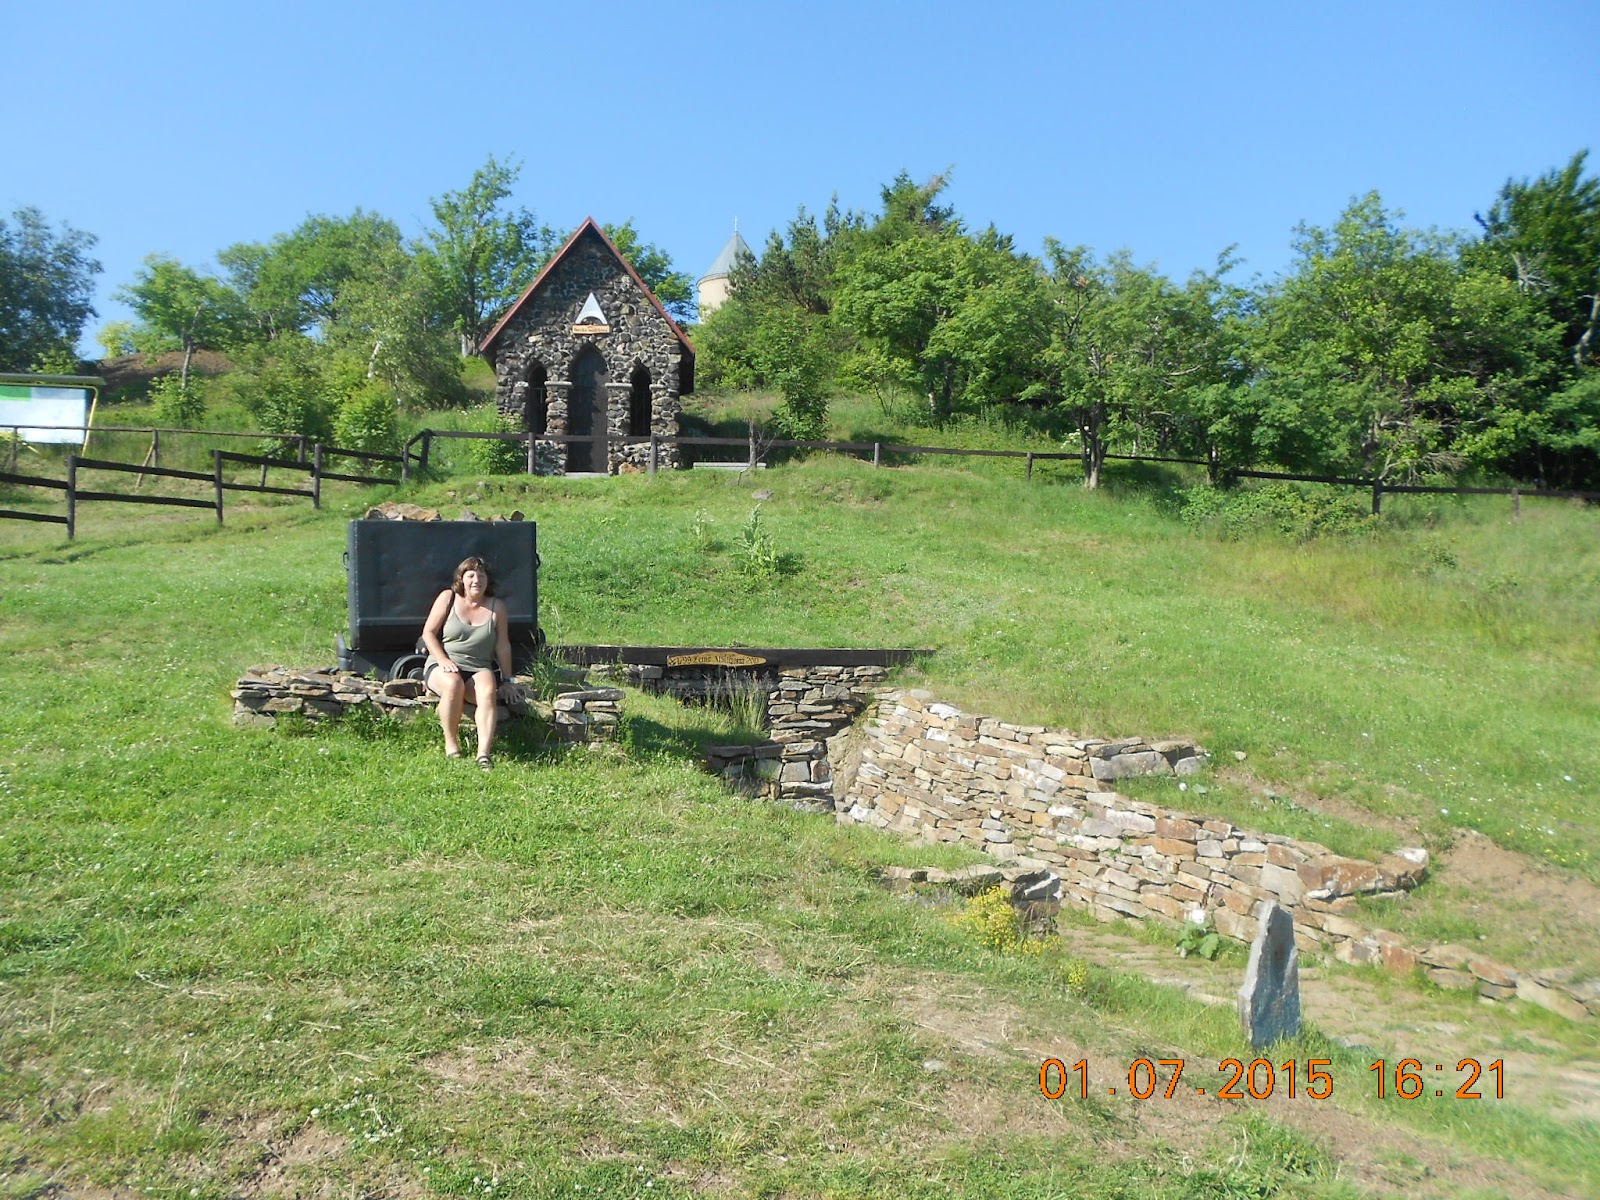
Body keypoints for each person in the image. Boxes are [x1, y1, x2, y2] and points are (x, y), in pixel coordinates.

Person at [421, 556, 521, 768]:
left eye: (481, 575)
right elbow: (428, 633)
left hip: (478, 666)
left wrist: (508, 680)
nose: (477, 580)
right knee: (453, 684)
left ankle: (483, 754)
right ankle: (451, 745)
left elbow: (503, 645)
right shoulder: (448, 598)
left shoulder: (497, 607)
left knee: (488, 690)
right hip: (444, 664)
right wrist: (442, 659)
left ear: (488, 580)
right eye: (471, 575)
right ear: (462, 579)